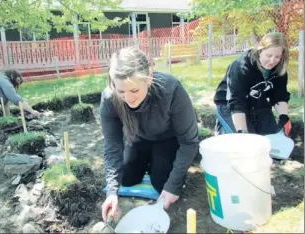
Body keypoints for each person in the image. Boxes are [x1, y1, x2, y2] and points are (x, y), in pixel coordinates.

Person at [99, 47, 199, 222]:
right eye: (121, 91)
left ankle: (157, 164)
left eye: (134, 91)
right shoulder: (109, 98)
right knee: (126, 178)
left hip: (167, 138)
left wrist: (172, 186)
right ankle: (146, 161)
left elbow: (189, 142)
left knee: (163, 184)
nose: (128, 98)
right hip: (137, 136)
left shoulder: (171, 90)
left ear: (149, 78)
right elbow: (112, 144)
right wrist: (112, 191)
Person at [213, 32, 292, 136]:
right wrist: (243, 132)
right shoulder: (241, 66)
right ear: (260, 50)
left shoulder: (279, 68)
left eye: (277, 57)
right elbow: (236, 101)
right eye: (269, 55)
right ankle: (222, 130)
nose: (272, 61)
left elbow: (279, 95)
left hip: (257, 102)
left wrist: (283, 117)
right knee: (246, 142)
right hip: (229, 104)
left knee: (270, 139)